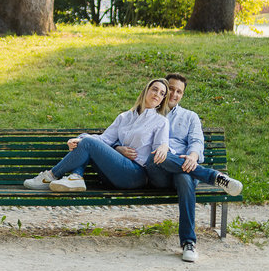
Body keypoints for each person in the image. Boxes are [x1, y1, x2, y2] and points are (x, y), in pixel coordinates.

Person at [146, 72, 243, 263]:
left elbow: (197, 141)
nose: (174, 94)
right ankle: (213, 176)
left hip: (185, 168)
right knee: (157, 154)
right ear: (164, 90)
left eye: (179, 91)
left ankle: (188, 243)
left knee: (185, 176)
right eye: (171, 89)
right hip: (158, 171)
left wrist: (192, 156)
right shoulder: (149, 113)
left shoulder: (190, 117)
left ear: (182, 95)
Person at [23, 78, 171, 192]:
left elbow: (159, 152)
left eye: (162, 93)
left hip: (136, 174)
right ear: (146, 91)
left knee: (87, 141)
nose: (157, 94)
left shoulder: (161, 122)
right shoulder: (124, 117)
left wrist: (164, 146)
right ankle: (76, 177)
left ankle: (51, 176)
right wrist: (78, 140)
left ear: (163, 99)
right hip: (113, 173)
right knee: (84, 137)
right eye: (155, 89)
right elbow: (104, 140)